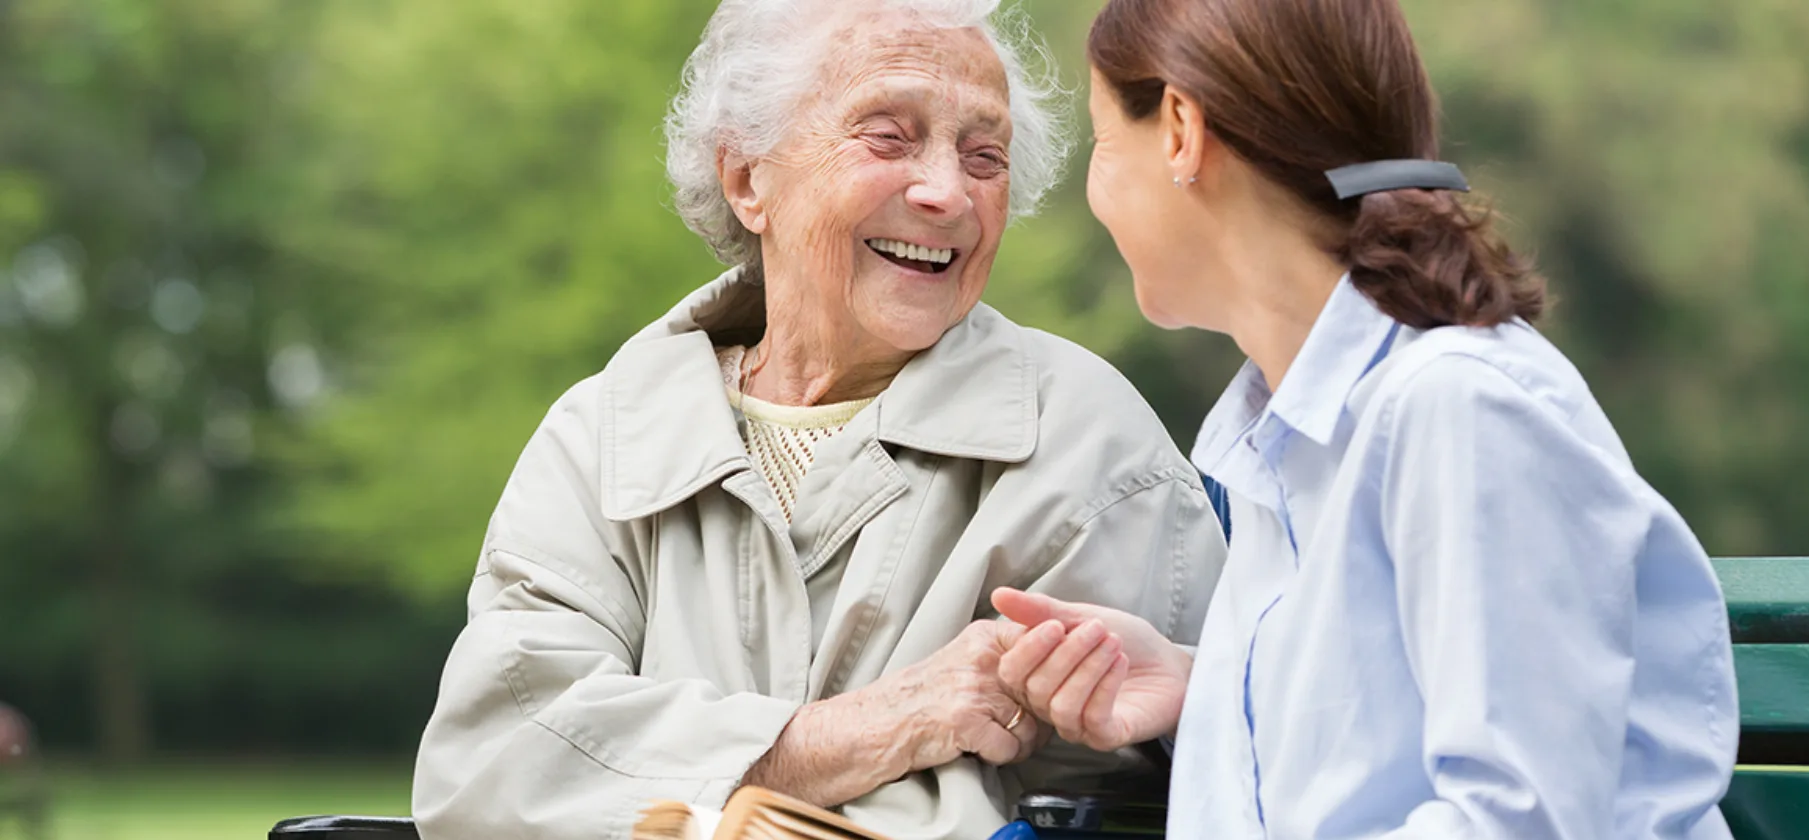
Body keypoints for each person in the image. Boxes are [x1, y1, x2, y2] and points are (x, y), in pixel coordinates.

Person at [409, 2, 1227, 839]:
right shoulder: (600, 439)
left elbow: (1160, 800)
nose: (949, 192)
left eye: (986, 155)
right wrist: (874, 728)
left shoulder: (1087, 443)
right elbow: (491, 769)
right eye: (888, 137)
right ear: (747, 178)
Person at [991, 0, 1740, 837]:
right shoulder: (1297, 432)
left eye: (1101, 145)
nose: (1095, 197)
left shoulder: (1461, 410)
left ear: (1178, 131)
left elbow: (1524, 816)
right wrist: (1207, 688)